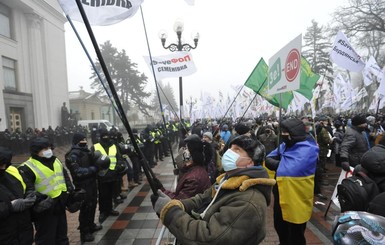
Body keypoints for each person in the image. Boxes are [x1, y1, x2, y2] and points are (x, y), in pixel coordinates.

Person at [151, 135, 275, 244]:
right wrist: (176, 204)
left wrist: (170, 212)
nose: (229, 152)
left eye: (237, 150)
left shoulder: (248, 201)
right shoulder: (227, 180)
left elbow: (209, 237)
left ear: (250, 162)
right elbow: (201, 199)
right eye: (230, 148)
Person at [266, 118, 319, 245]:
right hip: (281, 193)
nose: (283, 134)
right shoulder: (286, 145)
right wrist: (280, 161)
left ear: (294, 133)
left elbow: (289, 170)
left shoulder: (309, 148)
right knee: (280, 225)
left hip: (297, 196)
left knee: (295, 231)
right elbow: (268, 158)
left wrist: (279, 163)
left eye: (285, 132)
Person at [19, 137, 73, 245]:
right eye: (44, 149)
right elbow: (29, 191)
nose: (48, 151)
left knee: (62, 237)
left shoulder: (56, 160)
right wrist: (40, 202)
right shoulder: (27, 167)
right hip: (44, 210)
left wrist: (70, 192)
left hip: (60, 205)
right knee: (46, 239)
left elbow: (65, 177)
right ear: (36, 151)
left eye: (49, 148)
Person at [65, 133, 104, 243]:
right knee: (86, 207)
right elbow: (77, 172)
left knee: (92, 204)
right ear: (77, 141)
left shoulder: (86, 151)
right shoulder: (72, 155)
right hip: (82, 184)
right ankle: (84, 231)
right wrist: (94, 169)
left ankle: (91, 225)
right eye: (82, 140)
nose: (84, 141)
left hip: (91, 182)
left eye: (85, 139)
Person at [155, 134, 212, 200]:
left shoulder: (194, 179)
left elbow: (179, 201)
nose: (184, 151)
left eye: (187, 148)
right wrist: (182, 170)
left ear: (190, 155)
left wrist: (162, 190)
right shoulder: (196, 168)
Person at [0, 146, 36, 244]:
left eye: (4, 165)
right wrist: (9, 206)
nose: (3, 168)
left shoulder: (11, 173)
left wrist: (32, 197)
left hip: (24, 231)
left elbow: (26, 187)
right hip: (5, 235)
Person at [90, 128, 125, 223]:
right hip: (102, 175)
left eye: (107, 135)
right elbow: (92, 161)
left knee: (111, 193)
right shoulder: (95, 147)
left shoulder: (114, 146)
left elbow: (119, 158)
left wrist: (118, 167)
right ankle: (103, 211)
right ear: (100, 137)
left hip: (113, 174)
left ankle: (110, 209)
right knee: (102, 194)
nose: (106, 137)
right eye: (104, 136)